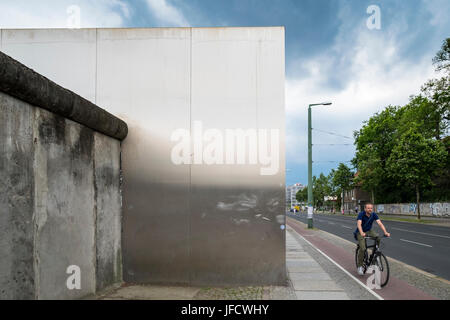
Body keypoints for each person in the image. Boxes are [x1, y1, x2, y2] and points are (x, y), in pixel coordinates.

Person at [353, 203, 390, 275]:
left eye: (371, 208)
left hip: (369, 231)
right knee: (363, 248)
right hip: (360, 232)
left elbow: (380, 223)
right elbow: (359, 224)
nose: (370, 209)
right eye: (368, 208)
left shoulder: (373, 214)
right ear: (365, 209)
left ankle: (374, 254)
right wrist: (362, 233)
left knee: (378, 238)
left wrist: (385, 232)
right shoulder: (361, 214)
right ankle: (360, 266)